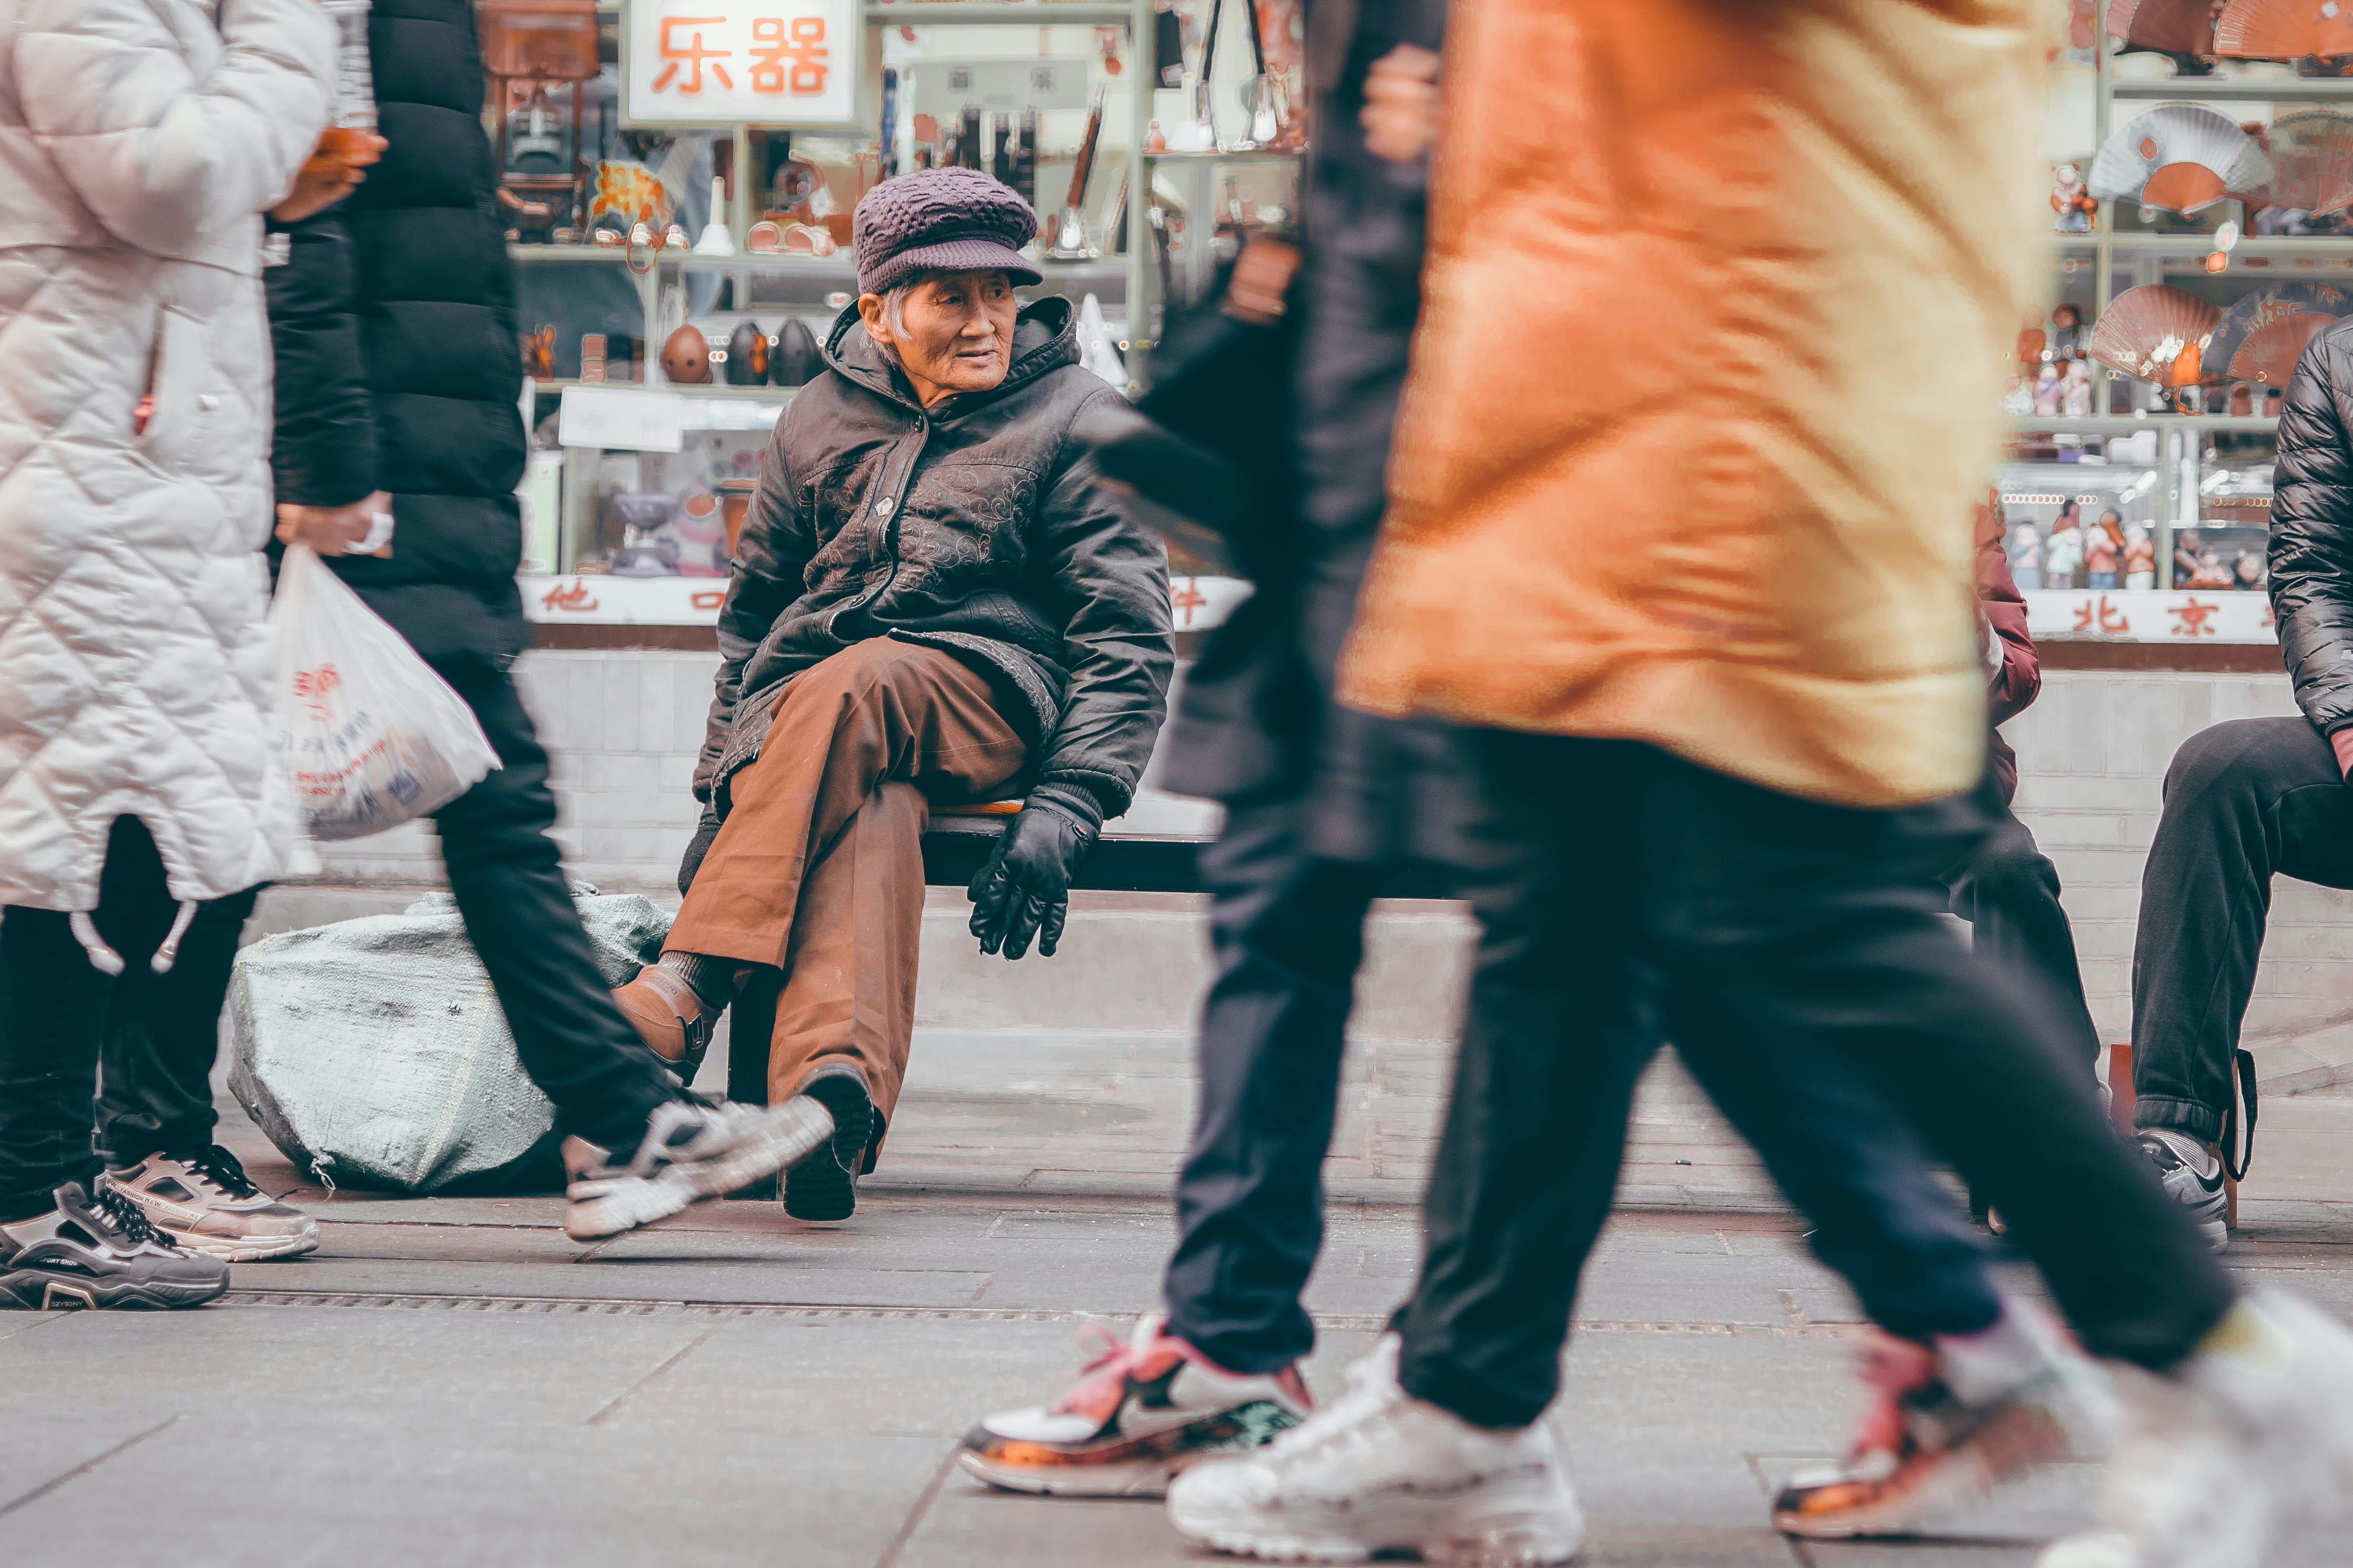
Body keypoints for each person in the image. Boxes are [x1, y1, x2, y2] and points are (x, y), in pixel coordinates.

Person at [1165, 6, 2353, 1566]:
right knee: (1576, 907)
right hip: (1611, 388)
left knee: (1774, 915)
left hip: (1701, 398)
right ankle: (1469, 1400)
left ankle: (2217, 1360)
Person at [261, 0, 833, 1250]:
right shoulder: (351, 17)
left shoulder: (426, 25)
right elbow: (299, 222)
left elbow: (414, 247)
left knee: (476, 810)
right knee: (243, 825)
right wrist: (333, 468)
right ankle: (103, 1144)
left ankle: (618, 1123)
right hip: (379, 486)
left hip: (430, 471)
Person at [609, 167, 1174, 1224]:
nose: (984, 321)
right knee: (872, 799)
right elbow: (754, 617)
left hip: (988, 692)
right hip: (825, 723)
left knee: (864, 677)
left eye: (998, 293)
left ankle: (689, 981)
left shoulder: (1079, 416)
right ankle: (831, 1094)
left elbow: (1126, 631)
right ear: (878, 312)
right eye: (950, 298)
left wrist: (1071, 800)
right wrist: (720, 787)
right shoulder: (815, 414)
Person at [0, 0, 337, 1311]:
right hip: (80, 471)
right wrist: (290, 33)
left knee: (122, 831)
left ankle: (53, 1175)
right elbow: (171, 168)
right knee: (73, 837)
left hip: (135, 468)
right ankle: (31, 1194)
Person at [2126, 315, 2353, 1253]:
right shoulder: (2338, 359)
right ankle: (2178, 1134)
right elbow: (2311, 566)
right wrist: (2345, 720)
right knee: (2221, 771)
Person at [2086, 510, 2121, 588]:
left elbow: (2112, 549)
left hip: (2109, 572)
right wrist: (2092, 545)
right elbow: (2087, 558)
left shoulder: (2111, 535)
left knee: (2109, 593)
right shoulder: (2092, 542)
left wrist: (2100, 543)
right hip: (2095, 572)